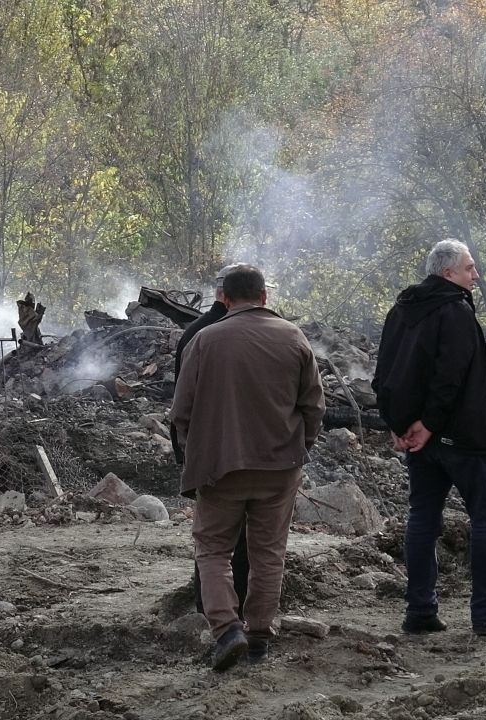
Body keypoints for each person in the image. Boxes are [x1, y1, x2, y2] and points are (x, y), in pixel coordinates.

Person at [170, 265, 324, 672]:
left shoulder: (204, 340)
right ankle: (258, 634)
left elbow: (180, 412)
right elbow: (314, 406)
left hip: (220, 468)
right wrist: (298, 446)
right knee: (268, 552)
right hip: (280, 467)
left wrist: (199, 450)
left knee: (214, 549)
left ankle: (226, 630)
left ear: (224, 298)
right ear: (264, 296)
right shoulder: (294, 338)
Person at [372, 239, 486, 637]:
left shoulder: (401, 310)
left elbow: (384, 374)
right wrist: (428, 423)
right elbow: (451, 377)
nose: (476, 274)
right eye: (469, 268)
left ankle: (420, 611)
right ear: (448, 274)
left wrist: (398, 423)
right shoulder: (454, 311)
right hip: (461, 436)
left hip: (421, 440)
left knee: (423, 516)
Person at [174, 264, 249, 618]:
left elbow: (181, 407)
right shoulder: (256, 333)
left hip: (208, 453)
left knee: (211, 539)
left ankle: (210, 609)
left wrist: (188, 452)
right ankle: (244, 612)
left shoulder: (194, 333)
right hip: (254, 452)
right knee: (245, 539)